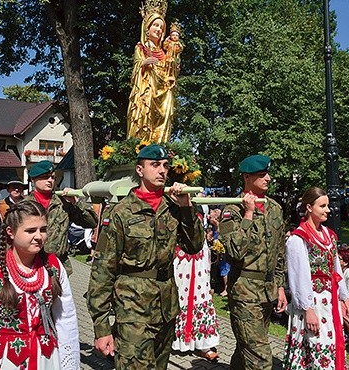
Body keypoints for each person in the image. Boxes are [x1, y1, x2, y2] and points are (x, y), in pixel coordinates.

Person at [87, 144, 204, 369]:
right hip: (132, 308)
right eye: (155, 165)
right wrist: (101, 328)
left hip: (166, 306)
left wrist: (186, 208)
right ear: (140, 170)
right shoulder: (121, 212)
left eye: (165, 166)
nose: (162, 170)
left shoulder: (173, 207)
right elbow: (102, 270)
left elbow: (194, 246)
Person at [0, 200, 80, 369]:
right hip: (5, 361)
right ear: (10, 232)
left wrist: (69, 364)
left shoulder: (53, 266)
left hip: (46, 359)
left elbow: (66, 319)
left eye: (43, 229)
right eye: (30, 231)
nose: (39, 236)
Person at [218, 154, 287, 369]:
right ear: (247, 177)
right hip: (245, 293)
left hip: (267, 290)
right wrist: (248, 214)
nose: (268, 178)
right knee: (260, 357)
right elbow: (235, 251)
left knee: (245, 350)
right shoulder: (232, 210)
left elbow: (279, 252)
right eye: (262, 174)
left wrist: (280, 286)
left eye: (267, 173)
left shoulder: (275, 208)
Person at [284, 186, 349, 369]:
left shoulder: (329, 236)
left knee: (330, 344)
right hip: (312, 302)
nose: (328, 210)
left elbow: (335, 269)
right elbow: (298, 276)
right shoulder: (298, 239)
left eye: (328, 206)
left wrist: (344, 297)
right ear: (309, 207)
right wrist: (308, 309)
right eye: (322, 206)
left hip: (329, 302)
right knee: (314, 345)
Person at [25, 160, 97, 276]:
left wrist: (76, 203)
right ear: (33, 179)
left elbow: (91, 222)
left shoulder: (63, 203)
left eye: (52, 177)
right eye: (45, 177)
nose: (50, 180)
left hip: (59, 264)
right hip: (31, 264)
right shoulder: (25, 206)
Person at [126, 0, 179, 143]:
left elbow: (170, 73)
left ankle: (160, 144)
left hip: (162, 91)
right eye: (156, 25)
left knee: (169, 105)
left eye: (162, 27)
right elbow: (136, 68)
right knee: (145, 108)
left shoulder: (165, 53)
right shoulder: (141, 47)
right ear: (147, 27)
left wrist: (173, 71)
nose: (159, 30)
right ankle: (141, 143)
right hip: (147, 89)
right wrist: (144, 63)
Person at [171, 223, 220, 361]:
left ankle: (204, 344)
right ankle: (176, 340)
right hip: (180, 256)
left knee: (200, 295)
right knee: (179, 294)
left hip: (198, 258)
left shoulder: (196, 209)